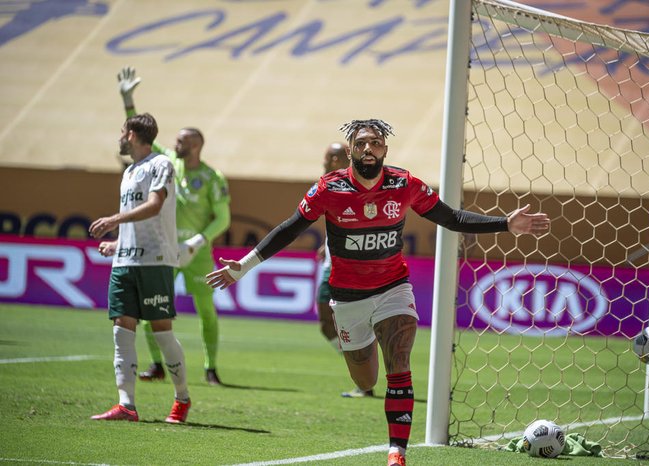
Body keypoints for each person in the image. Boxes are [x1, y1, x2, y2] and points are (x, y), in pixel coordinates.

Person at [205, 119, 550, 466]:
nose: (369, 149)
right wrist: (243, 265)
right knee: (365, 377)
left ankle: (397, 452)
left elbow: (451, 217)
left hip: (392, 288)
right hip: (348, 297)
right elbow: (289, 228)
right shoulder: (329, 188)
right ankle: (363, 348)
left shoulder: (405, 183)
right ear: (351, 149)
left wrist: (505, 223)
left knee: (399, 363)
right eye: (361, 144)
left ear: (386, 149)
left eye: (376, 143)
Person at [117, 67, 232, 385]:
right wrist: (129, 101)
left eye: (183, 141)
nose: (176, 144)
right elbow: (139, 137)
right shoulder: (165, 161)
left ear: (197, 145)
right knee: (154, 309)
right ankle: (157, 365)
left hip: (197, 251)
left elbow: (223, 217)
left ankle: (210, 368)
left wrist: (199, 240)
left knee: (206, 311)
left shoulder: (213, 177)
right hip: (164, 249)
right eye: (177, 140)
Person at [90, 112, 191, 423]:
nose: (120, 137)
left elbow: (154, 206)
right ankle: (126, 404)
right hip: (125, 261)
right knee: (122, 330)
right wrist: (119, 242)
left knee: (162, 333)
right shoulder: (130, 170)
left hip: (155, 261)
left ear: (132, 134)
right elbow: (137, 221)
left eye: (123, 131)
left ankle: (182, 398)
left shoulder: (160, 164)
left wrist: (112, 220)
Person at [314, 142, 371, 398]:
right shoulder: (330, 183)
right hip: (331, 263)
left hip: (347, 267)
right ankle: (362, 373)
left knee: (350, 324)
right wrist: (324, 244)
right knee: (327, 325)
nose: (325, 160)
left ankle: (365, 380)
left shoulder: (353, 184)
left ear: (341, 159)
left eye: (330, 156)